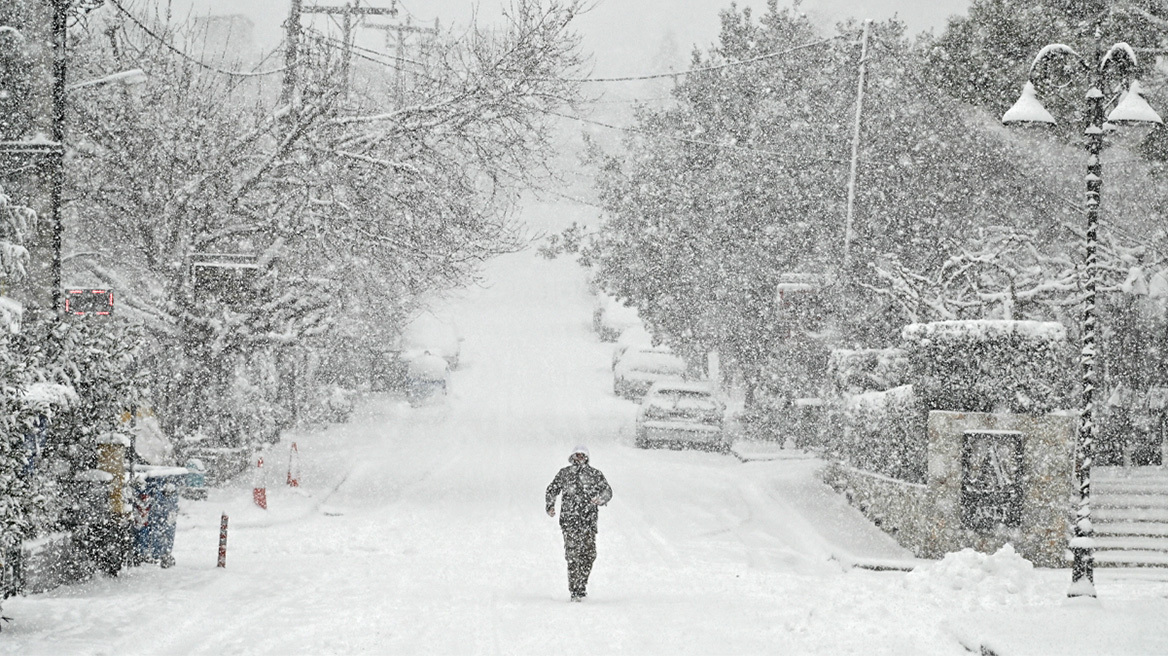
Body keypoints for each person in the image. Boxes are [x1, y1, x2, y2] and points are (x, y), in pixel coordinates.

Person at [545, 446, 613, 601]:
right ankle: (575, 590)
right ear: (572, 457)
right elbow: (552, 489)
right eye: (577, 456)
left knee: (589, 555)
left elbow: (608, 491)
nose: (579, 458)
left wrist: (600, 499)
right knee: (573, 556)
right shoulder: (565, 474)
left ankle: (581, 583)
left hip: (588, 522)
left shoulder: (595, 475)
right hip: (569, 522)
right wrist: (550, 505)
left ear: (587, 457)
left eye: (582, 456)